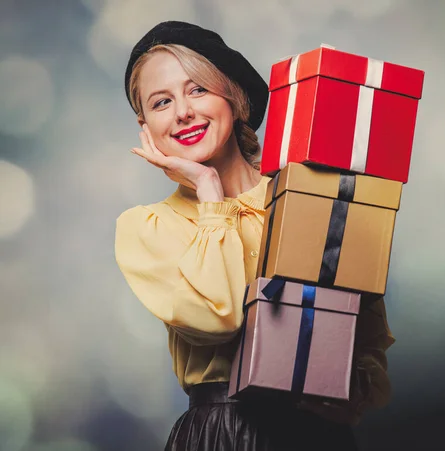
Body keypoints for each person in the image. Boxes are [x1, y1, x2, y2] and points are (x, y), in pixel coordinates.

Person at [114, 21, 396, 451]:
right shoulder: (146, 228)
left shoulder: (314, 195)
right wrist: (210, 194)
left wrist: (347, 395)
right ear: (146, 126)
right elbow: (219, 317)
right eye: (161, 102)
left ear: (234, 96)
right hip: (220, 435)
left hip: (319, 433)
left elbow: (368, 331)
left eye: (198, 90)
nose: (182, 112)